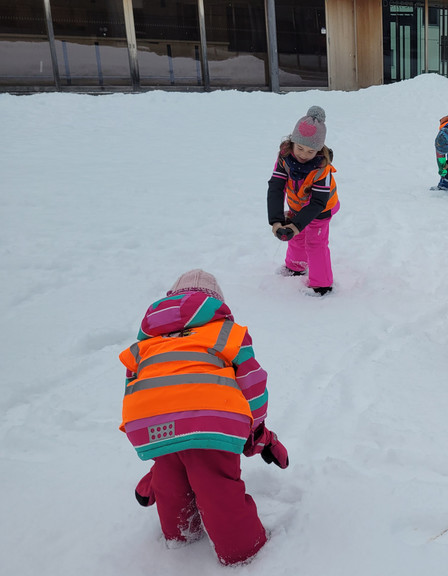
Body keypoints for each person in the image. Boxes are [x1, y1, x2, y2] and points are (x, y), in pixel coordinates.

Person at [120, 269, 289, 566]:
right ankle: (242, 551)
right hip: (210, 420)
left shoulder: (144, 346)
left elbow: (136, 390)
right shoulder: (227, 333)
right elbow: (252, 384)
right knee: (215, 484)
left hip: (148, 422)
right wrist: (258, 432)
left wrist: (155, 438)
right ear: (215, 304)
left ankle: (180, 534)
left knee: (170, 473)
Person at [267, 105, 339, 296]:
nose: (304, 154)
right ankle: (296, 267)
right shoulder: (284, 158)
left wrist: (297, 224)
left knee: (315, 243)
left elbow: (318, 202)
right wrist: (276, 221)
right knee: (296, 237)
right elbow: (276, 187)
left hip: (321, 210)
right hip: (296, 206)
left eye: (311, 151)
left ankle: (321, 285)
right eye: (300, 148)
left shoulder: (322, 168)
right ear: (292, 142)